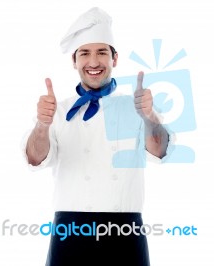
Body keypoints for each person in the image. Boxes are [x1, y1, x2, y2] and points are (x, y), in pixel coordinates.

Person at [22, 7, 171, 266]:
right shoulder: (57, 109)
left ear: (115, 58)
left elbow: (159, 151)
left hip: (126, 231)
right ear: (74, 61)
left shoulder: (137, 107)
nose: (93, 62)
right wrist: (42, 126)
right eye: (85, 53)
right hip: (70, 230)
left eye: (102, 52)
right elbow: (35, 159)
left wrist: (149, 116)